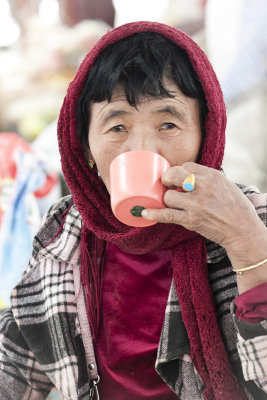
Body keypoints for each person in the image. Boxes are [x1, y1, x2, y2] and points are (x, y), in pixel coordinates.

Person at [0, 21, 267, 400]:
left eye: (169, 123)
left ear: (207, 135)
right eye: (118, 126)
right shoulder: (68, 231)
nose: (143, 148)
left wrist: (247, 241)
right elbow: (15, 362)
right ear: (85, 147)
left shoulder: (249, 216)